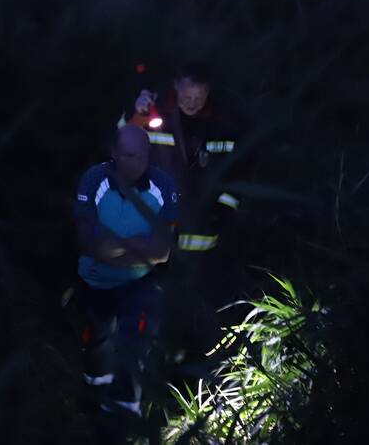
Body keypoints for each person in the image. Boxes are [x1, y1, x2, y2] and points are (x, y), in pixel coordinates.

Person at [119, 62, 249, 361]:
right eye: (187, 97)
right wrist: (136, 113)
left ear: (208, 92)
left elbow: (239, 173)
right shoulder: (154, 114)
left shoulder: (223, 124)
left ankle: (195, 362)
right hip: (156, 234)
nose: (192, 103)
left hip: (204, 236)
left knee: (198, 306)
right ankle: (151, 362)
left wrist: (223, 211)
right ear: (176, 86)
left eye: (199, 98)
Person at [72, 124, 179, 437]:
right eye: (128, 155)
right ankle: (92, 399)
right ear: (114, 153)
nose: (135, 162)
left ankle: (121, 421)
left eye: (141, 155)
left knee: (135, 345)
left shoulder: (163, 185)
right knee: (97, 345)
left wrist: (113, 246)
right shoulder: (94, 180)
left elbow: (162, 251)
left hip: (141, 283)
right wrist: (138, 245)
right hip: (96, 281)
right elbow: (91, 245)